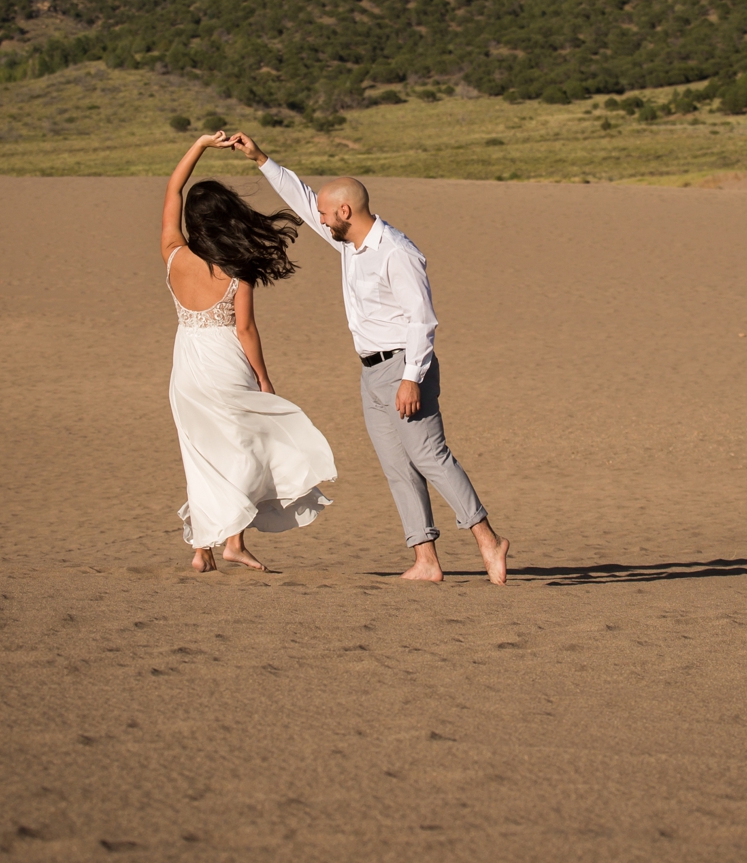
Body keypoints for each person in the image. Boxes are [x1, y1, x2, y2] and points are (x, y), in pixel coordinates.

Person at [225, 131, 509, 585]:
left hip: (404, 367)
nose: (317, 218)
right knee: (397, 467)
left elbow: (423, 321)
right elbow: (302, 200)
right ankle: (426, 559)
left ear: (345, 211)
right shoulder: (346, 241)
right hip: (371, 372)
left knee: (430, 456)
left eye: (325, 212)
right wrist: (260, 158)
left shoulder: (397, 252)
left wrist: (412, 378)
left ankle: (487, 540)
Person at [161, 131, 337, 573]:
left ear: (193, 222)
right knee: (241, 450)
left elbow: (172, 188)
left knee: (199, 453)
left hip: (188, 362)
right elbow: (245, 329)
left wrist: (199, 146)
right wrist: (263, 378)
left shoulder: (173, 255)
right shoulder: (237, 272)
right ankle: (232, 542)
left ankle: (204, 550)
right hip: (225, 362)